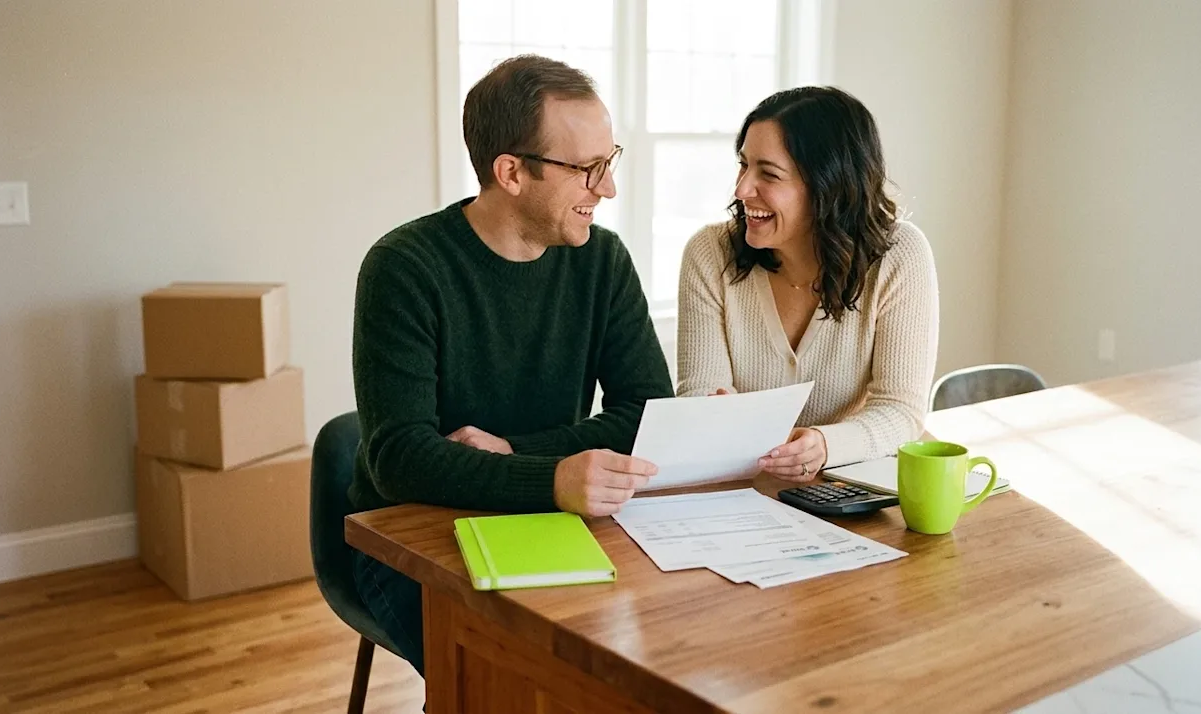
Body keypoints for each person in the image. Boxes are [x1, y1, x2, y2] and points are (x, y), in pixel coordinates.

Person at [349, 55, 673, 675]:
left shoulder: (601, 259)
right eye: (586, 169)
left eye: (610, 162)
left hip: (557, 519)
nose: (607, 189)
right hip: (414, 532)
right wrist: (551, 478)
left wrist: (519, 453)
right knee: (502, 673)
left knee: (623, 662)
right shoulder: (404, 267)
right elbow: (398, 458)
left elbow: (647, 411)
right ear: (511, 172)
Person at [677, 86, 939, 481]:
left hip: (848, 488)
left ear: (828, 186)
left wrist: (826, 445)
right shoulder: (709, 253)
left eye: (769, 174)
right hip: (738, 490)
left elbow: (901, 411)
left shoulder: (899, 255)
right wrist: (713, 414)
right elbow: (700, 393)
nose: (742, 190)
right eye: (744, 165)